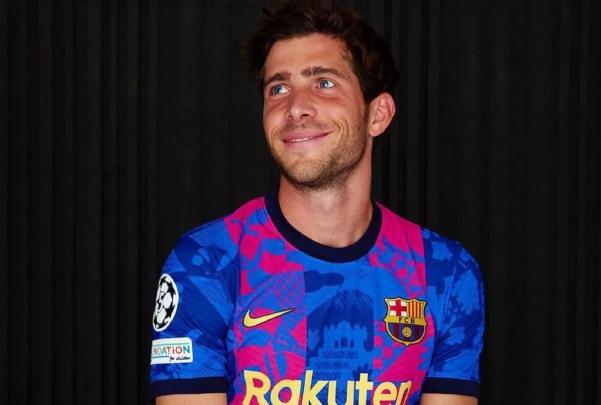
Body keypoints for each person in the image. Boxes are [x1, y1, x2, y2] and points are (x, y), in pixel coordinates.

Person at [149, 1, 484, 404]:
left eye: (324, 83)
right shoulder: (206, 262)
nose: (295, 107)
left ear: (378, 114)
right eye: (278, 88)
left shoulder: (447, 273)